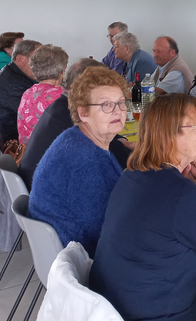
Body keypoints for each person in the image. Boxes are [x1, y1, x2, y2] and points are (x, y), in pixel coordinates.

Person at [89, 94, 196, 321]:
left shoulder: (132, 174)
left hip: (113, 306)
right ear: (169, 136)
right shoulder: (184, 197)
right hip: (158, 314)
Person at [28, 67, 129, 257]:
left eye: (121, 103)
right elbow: (107, 232)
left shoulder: (75, 138)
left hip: (71, 245)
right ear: (83, 113)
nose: (118, 111)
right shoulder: (84, 161)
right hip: (82, 258)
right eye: (106, 105)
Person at [19, 59, 132, 190]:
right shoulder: (72, 120)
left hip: (40, 189)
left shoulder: (61, 107)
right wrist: (134, 152)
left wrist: (121, 142)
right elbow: (113, 159)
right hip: (49, 193)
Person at [0, 39, 41, 142]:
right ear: (20, 59)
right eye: (37, 59)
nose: (42, 65)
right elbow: (37, 117)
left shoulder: (8, 72)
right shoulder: (17, 84)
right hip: (4, 141)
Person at [17, 44, 69, 144]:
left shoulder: (27, 93)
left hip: (27, 154)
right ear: (63, 70)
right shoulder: (61, 97)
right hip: (47, 156)